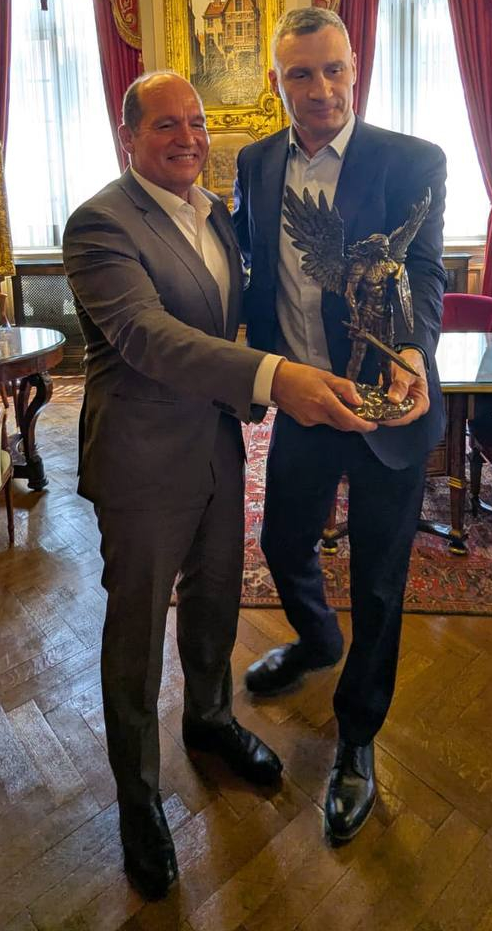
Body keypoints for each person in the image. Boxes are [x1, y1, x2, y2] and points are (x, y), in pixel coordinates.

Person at [63, 71, 375, 901]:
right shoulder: (99, 223)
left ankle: (208, 719)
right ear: (128, 137)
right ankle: (138, 796)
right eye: (166, 125)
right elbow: (146, 335)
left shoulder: (216, 214)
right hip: (140, 457)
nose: (188, 138)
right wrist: (275, 377)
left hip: (214, 444)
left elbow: (233, 312)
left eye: (196, 123)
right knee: (136, 629)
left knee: (214, 599)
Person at [233, 6, 447, 844]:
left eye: (332, 69)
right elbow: (252, 262)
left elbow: (424, 270)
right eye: (300, 73)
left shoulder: (410, 159)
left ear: (354, 67)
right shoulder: (255, 162)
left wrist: (413, 352)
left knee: (379, 579)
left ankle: (357, 737)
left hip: (387, 401)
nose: (319, 88)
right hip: (304, 396)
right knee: (283, 541)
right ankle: (317, 641)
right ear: (277, 81)